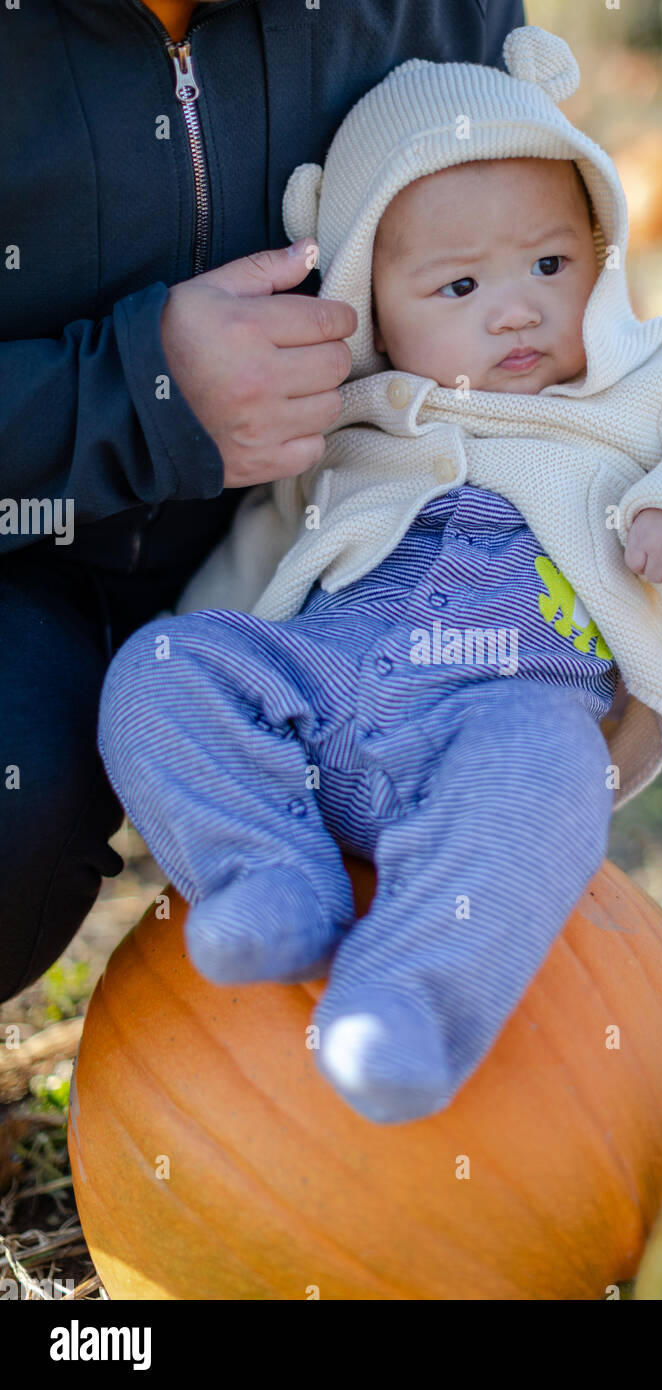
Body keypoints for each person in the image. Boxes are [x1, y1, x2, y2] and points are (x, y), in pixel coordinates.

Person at [96, 27, 662, 1124]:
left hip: (497, 714)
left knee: (550, 772)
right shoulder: (347, 414)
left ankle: (411, 1007)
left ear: (601, 248)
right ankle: (263, 874)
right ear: (370, 301)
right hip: (323, 700)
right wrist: (204, 711)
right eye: (460, 283)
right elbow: (255, 562)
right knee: (162, 664)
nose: (516, 308)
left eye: (550, 264)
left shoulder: (649, 376)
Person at [0, 0, 539, 1004]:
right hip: (18, 564)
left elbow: (545, 272)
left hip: (321, 541)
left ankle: (385, 964)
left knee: (577, 595)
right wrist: (136, 395)